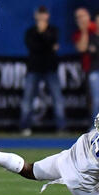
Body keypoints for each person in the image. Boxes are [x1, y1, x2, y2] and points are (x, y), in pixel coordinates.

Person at [20, 6, 66, 136]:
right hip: (34, 69)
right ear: (36, 15)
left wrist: (43, 33)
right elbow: (33, 47)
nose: (41, 16)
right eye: (39, 14)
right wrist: (48, 44)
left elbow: (52, 42)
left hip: (50, 69)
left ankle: (61, 127)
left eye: (44, 14)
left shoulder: (53, 30)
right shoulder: (30, 31)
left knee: (58, 99)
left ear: (47, 15)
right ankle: (24, 126)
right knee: (28, 99)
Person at [72, 7, 97, 73]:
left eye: (82, 16)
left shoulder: (96, 27)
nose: (80, 19)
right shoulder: (77, 34)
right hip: (88, 67)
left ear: (88, 16)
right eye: (77, 17)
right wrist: (84, 31)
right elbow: (82, 49)